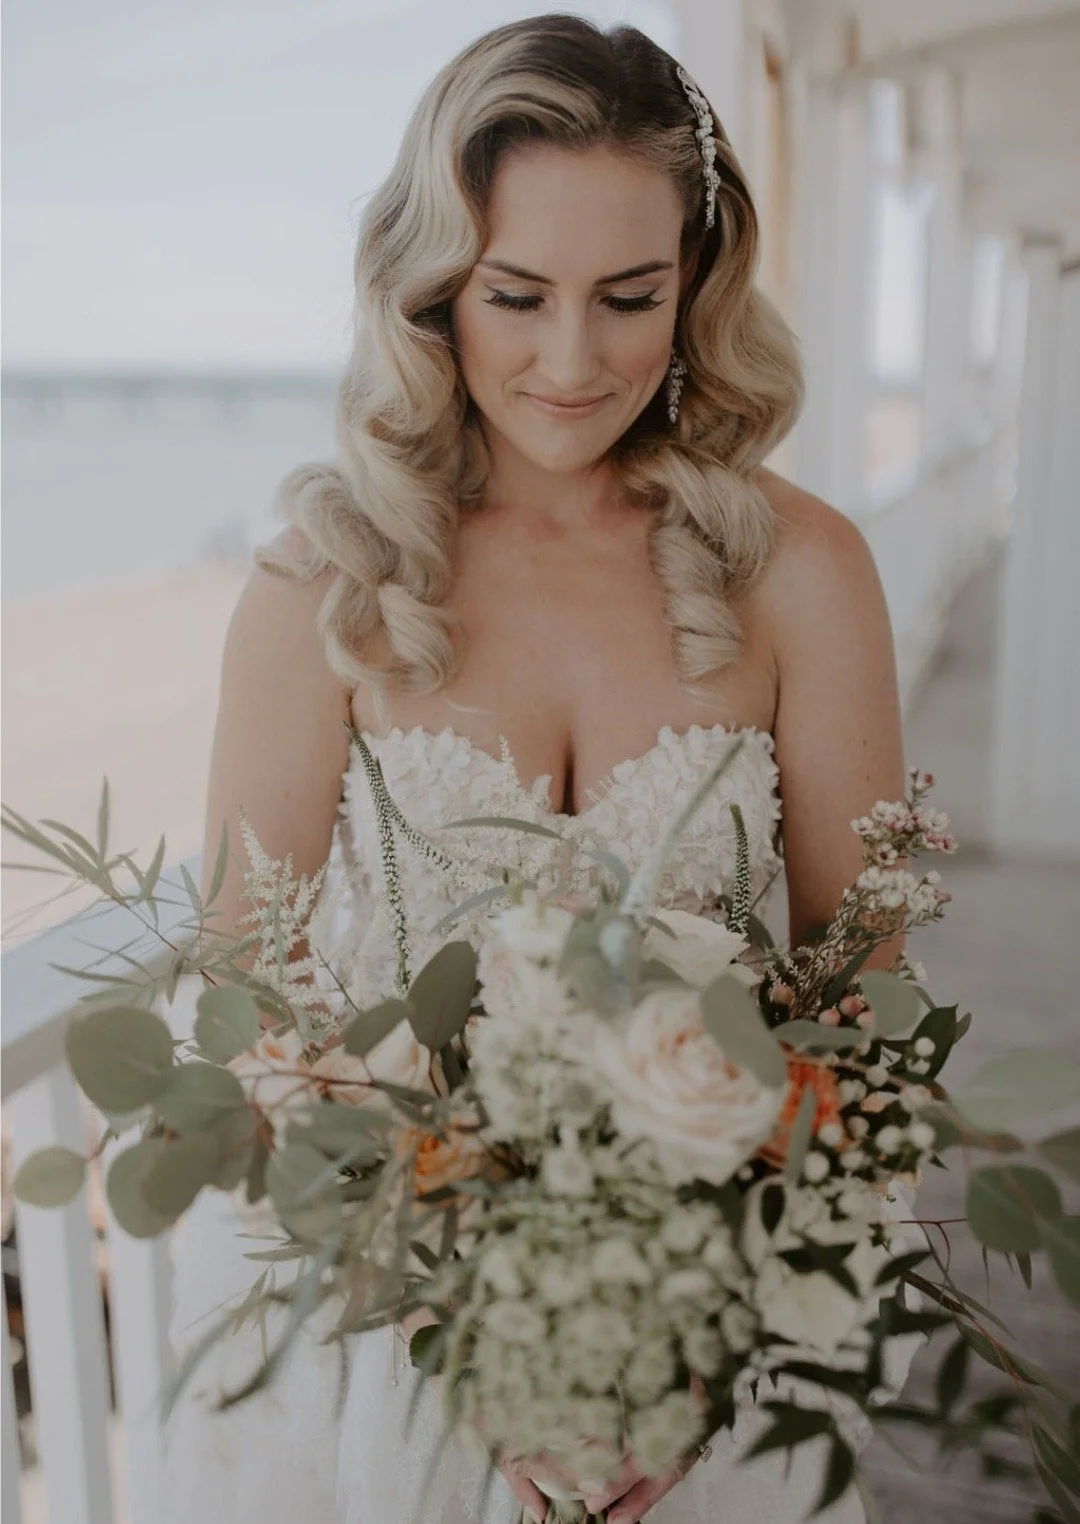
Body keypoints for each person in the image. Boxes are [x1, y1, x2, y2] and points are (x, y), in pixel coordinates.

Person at [162, 15, 907, 1523]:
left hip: (717, 1319)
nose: (573, 362)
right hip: (391, 1323)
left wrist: (689, 1338)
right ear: (434, 284)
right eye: (517, 296)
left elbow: (867, 995)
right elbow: (249, 999)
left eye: (631, 297)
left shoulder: (805, 571)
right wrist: (474, 1322)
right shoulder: (324, 586)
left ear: (697, 278)